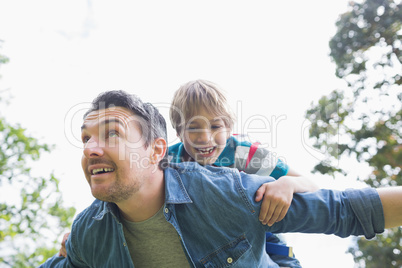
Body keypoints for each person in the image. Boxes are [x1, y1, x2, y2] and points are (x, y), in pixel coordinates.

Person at [41, 90, 402, 267]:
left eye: (111, 133)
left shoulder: (242, 162)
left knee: (273, 233)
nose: (90, 148)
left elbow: (332, 202)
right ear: (180, 135)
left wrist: (287, 184)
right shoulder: (94, 228)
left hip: (255, 217)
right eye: (85, 137)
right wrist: (72, 246)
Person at [168, 79, 319, 266]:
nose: (205, 137)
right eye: (193, 127)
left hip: (264, 238)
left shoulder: (242, 153)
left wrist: (288, 183)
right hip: (207, 241)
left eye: (215, 126)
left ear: (229, 129)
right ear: (179, 131)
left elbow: (312, 186)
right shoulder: (169, 161)